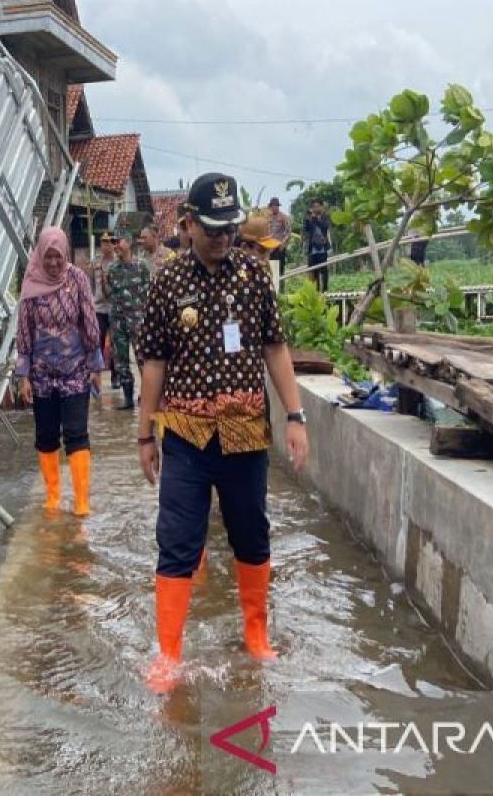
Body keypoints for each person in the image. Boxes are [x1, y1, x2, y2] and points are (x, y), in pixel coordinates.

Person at [137, 173, 309, 694]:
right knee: (178, 541)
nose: (223, 237)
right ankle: (168, 654)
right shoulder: (167, 283)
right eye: (212, 228)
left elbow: (275, 348)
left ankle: (256, 635)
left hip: (244, 437)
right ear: (187, 224)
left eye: (230, 228)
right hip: (187, 437)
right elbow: (154, 363)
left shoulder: (255, 277)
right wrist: (145, 434)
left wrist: (296, 417)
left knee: (251, 534)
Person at [16, 227, 104, 517]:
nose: (53, 263)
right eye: (48, 257)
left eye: (58, 257)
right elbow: (25, 331)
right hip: (41, 375)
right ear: (41, 255)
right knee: (45, 434)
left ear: (65, 254)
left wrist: (95, 364)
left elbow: (89, 319)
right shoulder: (31, 283)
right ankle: (53, 496)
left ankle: (81, 501)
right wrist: (24, 375)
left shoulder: (77, 278)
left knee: (77, 433)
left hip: (75, 370)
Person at [104, 235, 152, 410]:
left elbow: (150, 293)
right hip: (118, 321)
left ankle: (148, 396)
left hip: (138, 321)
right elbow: (109, 292)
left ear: (129, 243)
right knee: (121, 360)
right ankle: (128, 398)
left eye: (120, 242)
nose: (116, 245)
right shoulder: (112, 269)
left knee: (143, 359)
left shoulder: (142, 267)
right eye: (115, 242)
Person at [89, 231, 118, 388]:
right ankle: (97, 375)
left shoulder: (117, 263)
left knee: (115, 342)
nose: (106, 245)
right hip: (99, 307)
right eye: (103, 242)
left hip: (114, 307)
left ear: (114, 244)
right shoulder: (95, 263)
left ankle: (116, 375)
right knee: (98, 340)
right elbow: (91, 284)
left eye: (109, 242)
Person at [237, 215, 283, 286]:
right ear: (244, 247)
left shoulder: (265, 270)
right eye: (262, 251)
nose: (266, 257)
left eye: (269, 251)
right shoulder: (233, 274)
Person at [303, 199, 333, 292]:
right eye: (314, 207)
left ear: (321, 207)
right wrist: (308, 219)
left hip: (323, 248)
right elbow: (306, 229)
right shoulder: (310, 217)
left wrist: (316, 218)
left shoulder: (325, 217)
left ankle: (325, 290)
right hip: (313, 248)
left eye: (317, 206)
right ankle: (315, 291)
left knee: (323, 270)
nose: (315, 208)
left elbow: (324, 227)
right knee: (313, 271)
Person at [265, 196, 291, 270]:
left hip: (279, 247)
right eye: (273, 206)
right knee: (271, 269)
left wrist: (283, 243)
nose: (274, 207)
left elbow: (288, 232)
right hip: (269, 248)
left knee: (280, 269)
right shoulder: (267, 217)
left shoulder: (283, 217)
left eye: (276, 205)